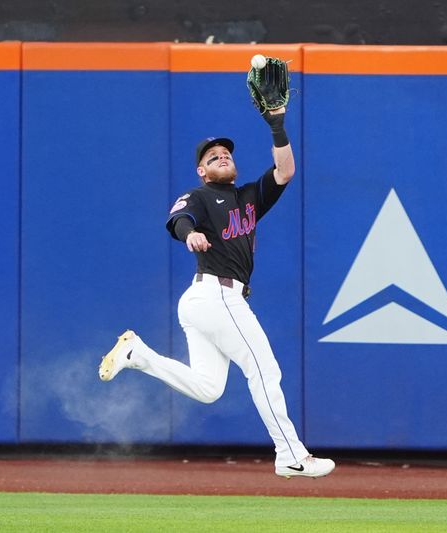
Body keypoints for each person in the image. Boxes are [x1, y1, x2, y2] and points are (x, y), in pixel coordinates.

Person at [98, 105, 335, 479]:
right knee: (264, 369)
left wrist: (276, 126)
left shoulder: (249, 198)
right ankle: (290, 454)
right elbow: (179, 217)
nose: (222, 157)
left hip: (208, 302)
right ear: (202, 170)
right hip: (215, 296)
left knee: (209, 389)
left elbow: (286, 171)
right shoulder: (201, 195)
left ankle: (137, 354)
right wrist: (189, 233)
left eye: (226, 154)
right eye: (213, 157)